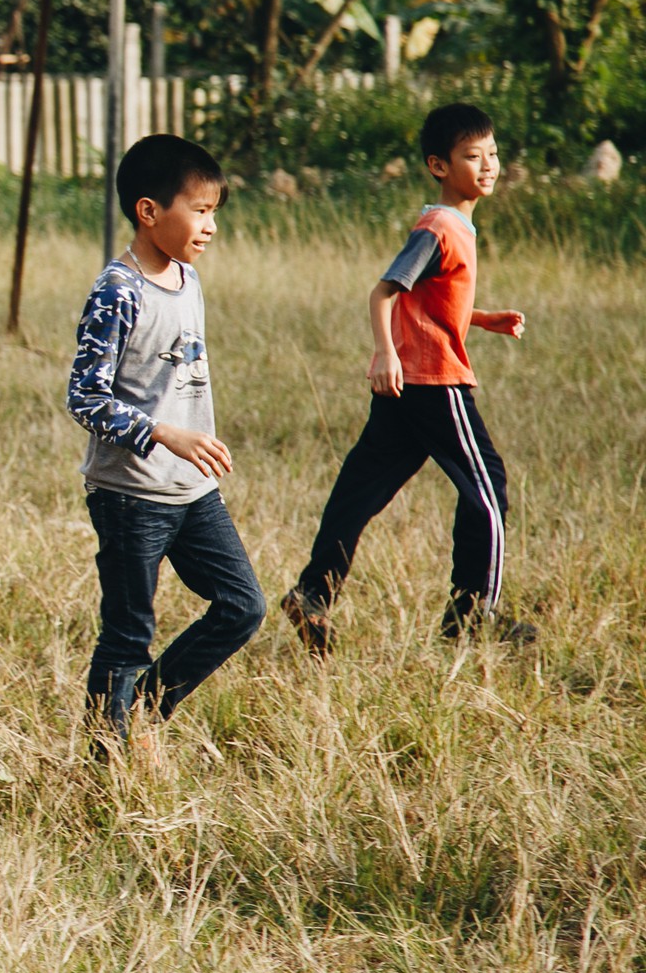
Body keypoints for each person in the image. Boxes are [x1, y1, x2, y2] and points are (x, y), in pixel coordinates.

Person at [282, 103, 532, 656]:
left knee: (360, 490)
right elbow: (385, 292)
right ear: (438, 166)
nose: (488, 165)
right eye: (473, 156)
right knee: (488, 490)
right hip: (434, 381)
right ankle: (472, 615)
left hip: (409, 386)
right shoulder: (440, 227)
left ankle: (312, 594)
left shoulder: (454, 226)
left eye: (492, 153)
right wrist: (383, 353)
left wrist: (480, 318)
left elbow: (430, 301)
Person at [66, 134, 264, 761]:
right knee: (128, 635)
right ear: (149, 212)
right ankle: (105, 766)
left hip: (193, 490)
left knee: (242, 606)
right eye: (199, 210)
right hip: (130, 495)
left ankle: (148, 706)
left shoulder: (188, 280)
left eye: (214, 212)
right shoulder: (116, 291)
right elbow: (85, 398)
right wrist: (164, 433)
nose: (209, 225)